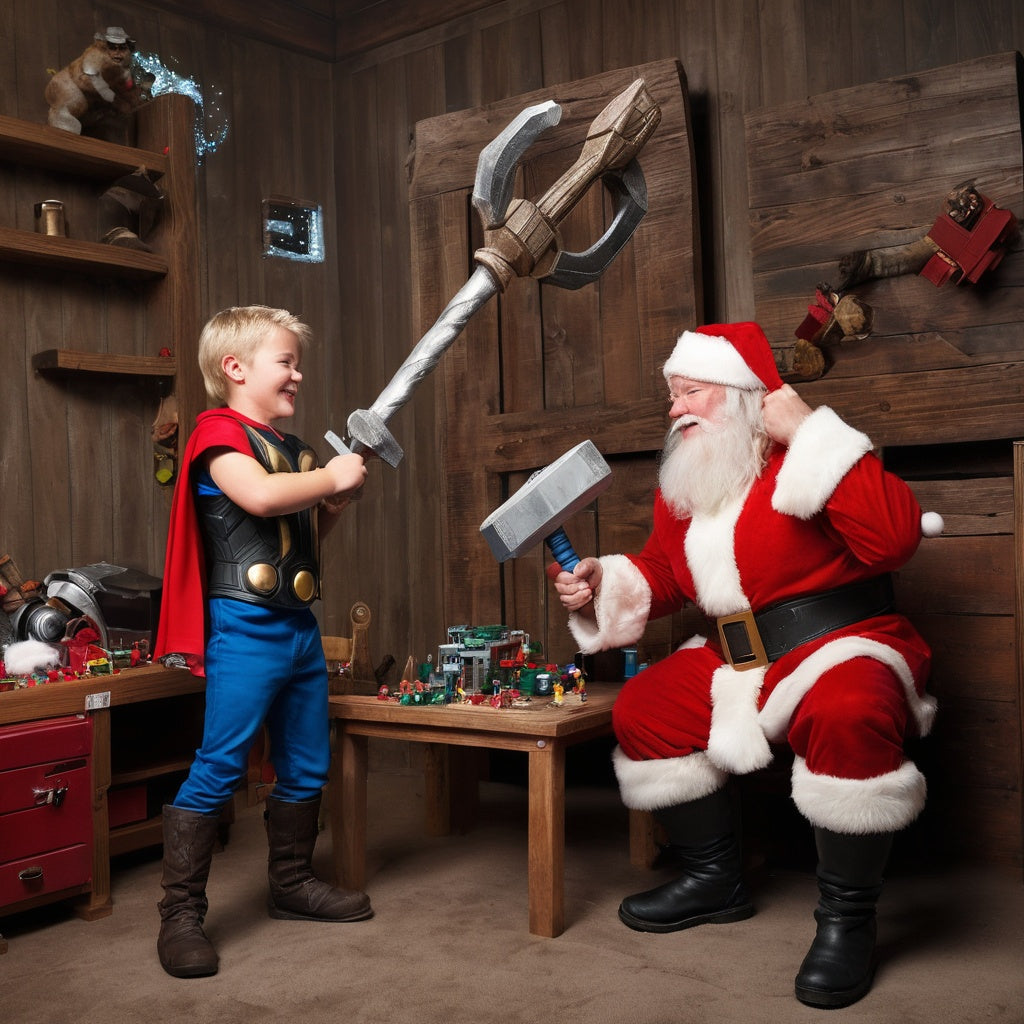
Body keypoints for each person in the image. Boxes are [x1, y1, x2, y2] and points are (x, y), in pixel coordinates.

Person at [548, 321, 939, 1010]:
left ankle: (847, 919)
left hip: (837, 645)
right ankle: (714, 879)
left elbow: (896, 537)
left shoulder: (811, 454)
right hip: (740, 662)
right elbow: (667, 577)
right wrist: (600, 582)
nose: (674, 409)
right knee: (643, 708)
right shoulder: (695, 476)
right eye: (672, 395)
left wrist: (810, 427)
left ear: (743, 395)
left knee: (851, 708)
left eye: (689, 392)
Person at [152, 305, 371, 978]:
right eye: (286, 361)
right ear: (235, 368)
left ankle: (292, 883)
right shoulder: (218, 438)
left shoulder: (292, 449)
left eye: (297, 362)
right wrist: (330, 479)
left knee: (306, 760)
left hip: (298, 628)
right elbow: (262, 501)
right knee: (221, 764)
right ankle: (179, 916)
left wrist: (328, 507)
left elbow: (297, 537)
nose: (297, 373)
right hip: (245, 628)